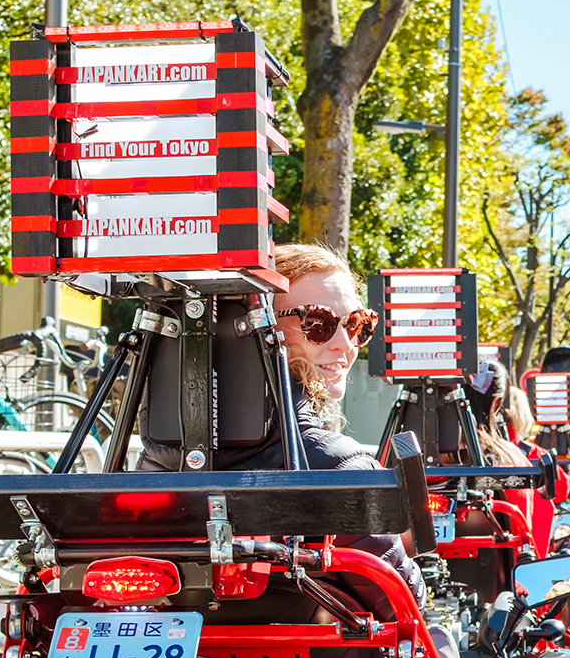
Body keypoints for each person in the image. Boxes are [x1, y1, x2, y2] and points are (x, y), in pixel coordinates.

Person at [139, 243, 427, 607]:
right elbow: (401, 602)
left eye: (357, 324)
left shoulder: (153, 463)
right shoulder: (338, 466)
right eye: (317, 323)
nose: (344, 344)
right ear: (248, 330)